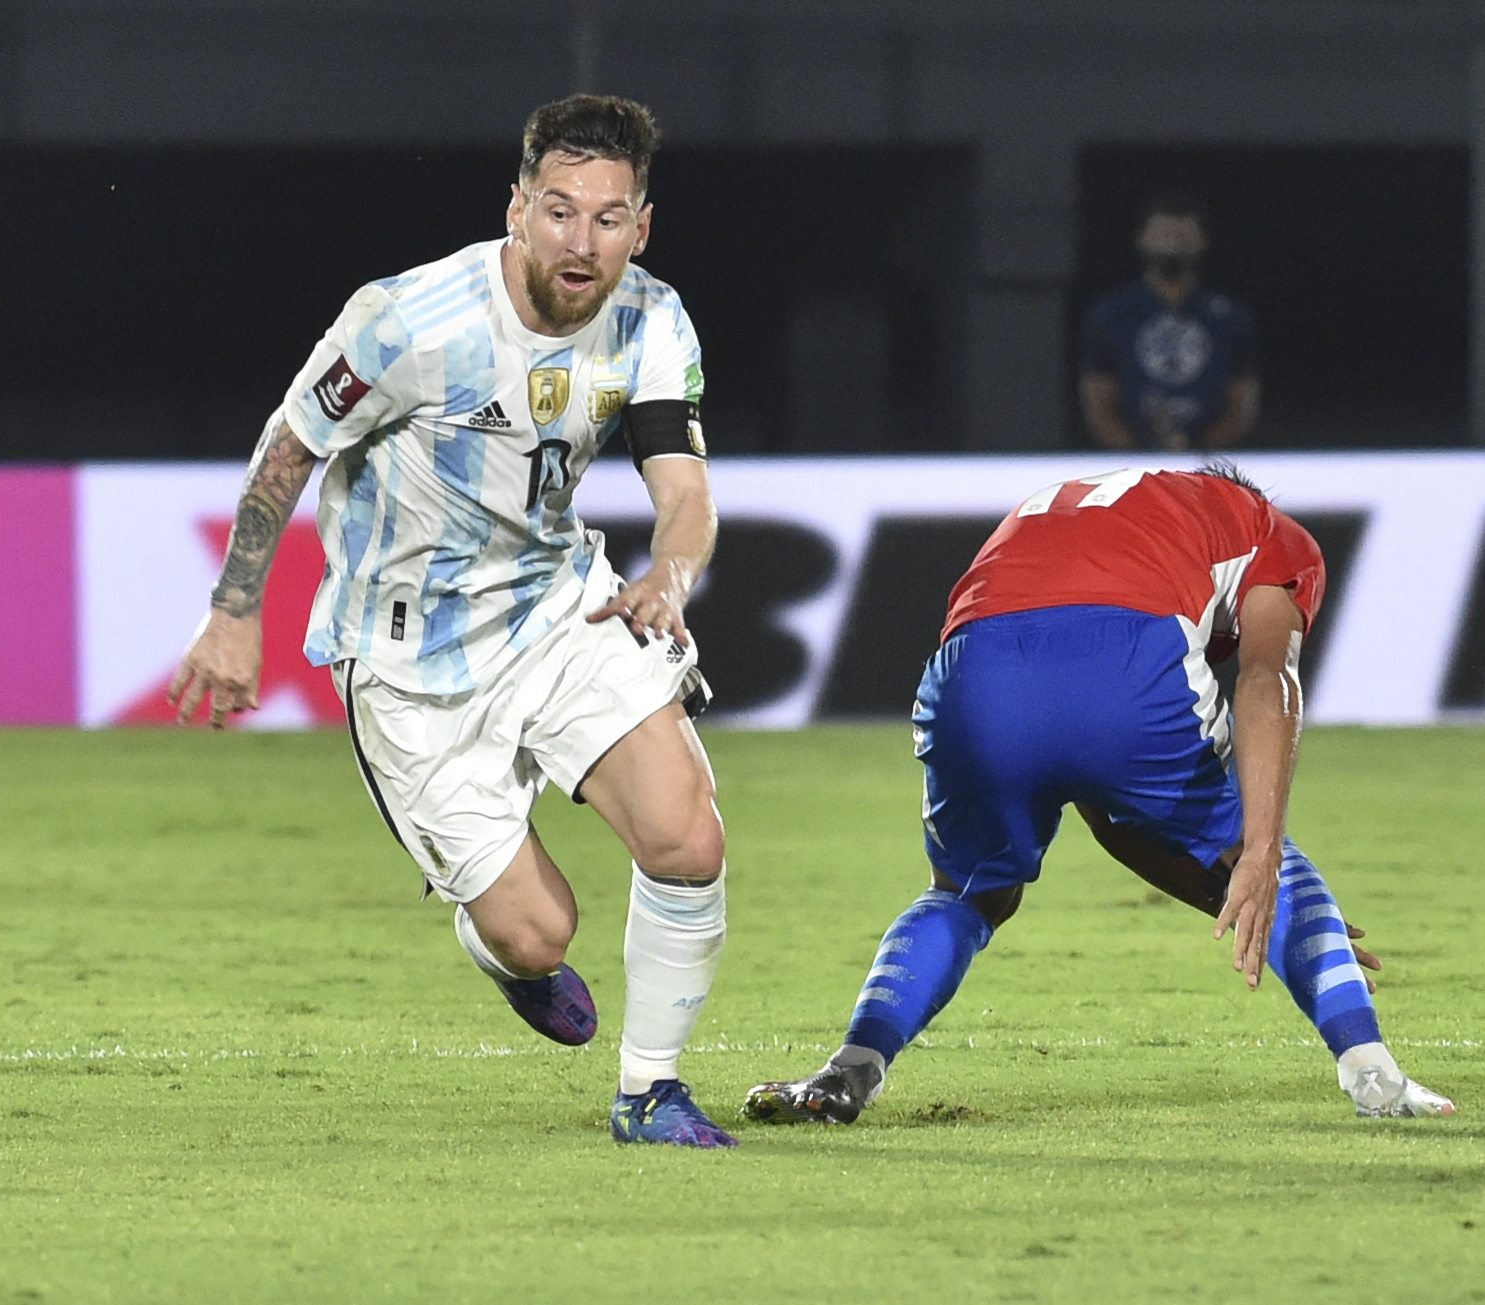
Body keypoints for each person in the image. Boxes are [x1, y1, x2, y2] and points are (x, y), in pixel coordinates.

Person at [168, 95, 737, 1147]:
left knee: (685, 834)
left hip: (558, 609)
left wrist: (674, 572)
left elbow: (684, 489)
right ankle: (502, 950)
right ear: (517, 208)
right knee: (538, 933)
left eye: (608, 219)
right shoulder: (409, 321)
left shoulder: (652, 317)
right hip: (408, 661)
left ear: (640, 228)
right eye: (559, 211)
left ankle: (648, 1091)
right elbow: (291, 446)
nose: (581, 242)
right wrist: (233, 610)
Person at [742, 465, 1454, 1125]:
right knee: (1261, 848)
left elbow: (1107, 809)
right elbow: (1266, 679)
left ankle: (849, 1070)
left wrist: (1230, 891)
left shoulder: (1073, 507)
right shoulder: (1268, 529)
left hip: (972, 671)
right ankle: (1374, 1076)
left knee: (964, 893)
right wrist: (1256, 855)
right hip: (1130, 657)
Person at [1079, 194, 1259, 452]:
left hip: (1210, 461)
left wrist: (1197, 455)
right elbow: (1098, 404)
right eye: (1163, 233)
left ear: (1202, 241)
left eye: (1182, 234)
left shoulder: (1230, 317)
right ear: (1141, 238)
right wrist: (1140, 456)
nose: (1172, 243)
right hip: (1130, 461)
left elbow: (1242, 404)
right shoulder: (1112, 315)